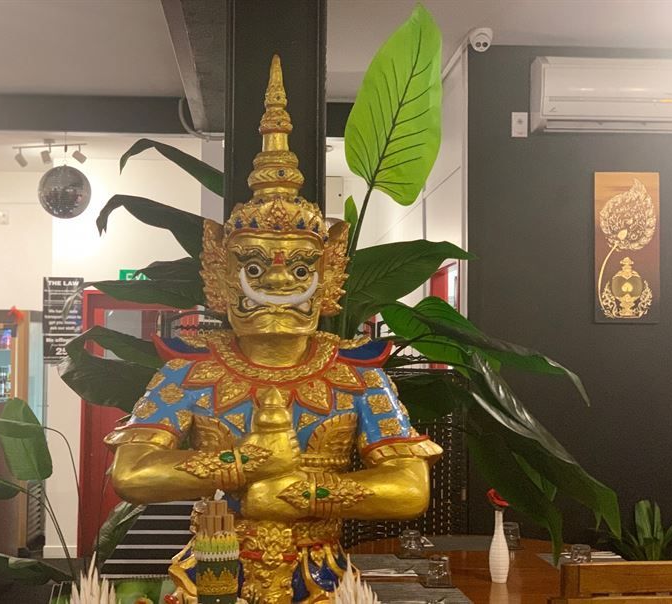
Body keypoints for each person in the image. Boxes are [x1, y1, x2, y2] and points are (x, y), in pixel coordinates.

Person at [107, 55, 442, 604]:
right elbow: (134, 472)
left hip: (320, 576)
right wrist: (243, 464)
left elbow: (408, 487)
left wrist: (305, 490)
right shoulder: (192, 371)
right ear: (221, 272)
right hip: (214, 571)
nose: (281, 283)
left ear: (329, 274)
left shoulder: (356, 374)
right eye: (257, 267)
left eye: (302, 269)